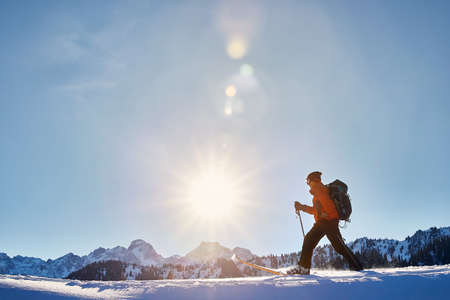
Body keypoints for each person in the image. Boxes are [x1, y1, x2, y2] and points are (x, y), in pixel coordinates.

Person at [292, 171, 363, 275]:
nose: (307, 183)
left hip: (327, 222)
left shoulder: (319, 190)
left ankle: (303, 269)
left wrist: (324, 215)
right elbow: (315, 210)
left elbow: (330, 208)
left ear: (313, 180)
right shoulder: (319, 191)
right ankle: (357, 267)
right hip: (325, 222)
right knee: (335, 246)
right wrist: (302, 207)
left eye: (308, 181)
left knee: (336, 246)